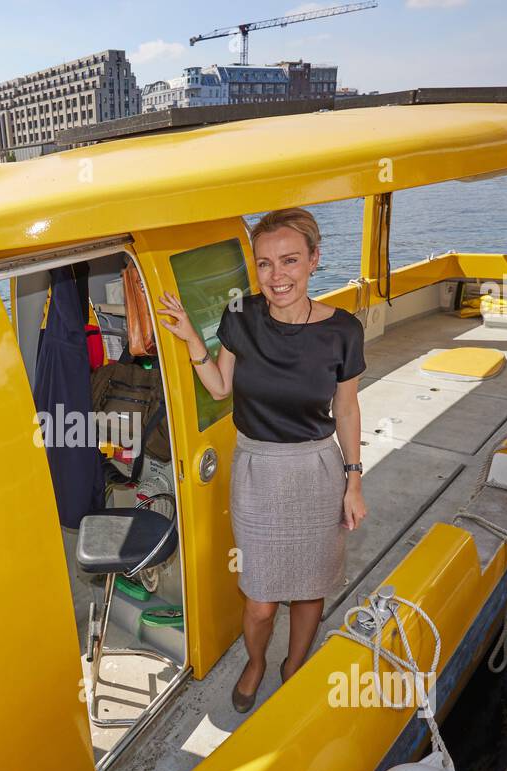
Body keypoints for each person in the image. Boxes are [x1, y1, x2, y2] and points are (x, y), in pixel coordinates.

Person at [156, 207, 367, 713]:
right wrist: (191, 341)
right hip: (256, 472)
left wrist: (353, 481)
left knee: (310, 587)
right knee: (260, 597)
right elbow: (221, 386)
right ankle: (256, 662)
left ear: (314, 260)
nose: (277, 277)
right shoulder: (240, 317)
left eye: (290, 260)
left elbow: (347, 406)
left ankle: (294, 665)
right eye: (266, 264)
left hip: (317, 470)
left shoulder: (343, 330)